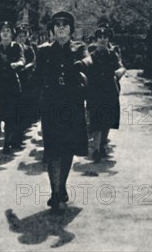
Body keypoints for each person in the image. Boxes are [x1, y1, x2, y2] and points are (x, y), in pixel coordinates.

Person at [34, 11, 91, 211]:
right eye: (57, 24)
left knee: (67, 149)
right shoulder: (43, 50)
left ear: (71, 30)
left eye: (65, 24)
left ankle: (62, 185)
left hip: (72, 105)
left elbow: (88, 60)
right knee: (52, 149)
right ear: (52, 29)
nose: (61, 27)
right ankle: (54, 191)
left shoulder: (79, 48)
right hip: (50, 105)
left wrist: (81, 64)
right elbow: (36, 76)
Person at [86, 26, 127, 162]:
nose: (102, 40)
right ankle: (96, 149)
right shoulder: (91, 56)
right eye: (100, 38)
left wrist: (119, 72)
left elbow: (121, 67)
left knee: (107, 120)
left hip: (110, 91)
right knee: (96, 120)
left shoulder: (112, 55)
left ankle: (102, 144)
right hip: (95, 92)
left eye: (105, 37)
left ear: (108, 39)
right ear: (96, 40)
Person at [0, 21, 25, 160]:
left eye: (8, 30)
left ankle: (7, 143)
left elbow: (22, 60)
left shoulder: (16, 47)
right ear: (0, 33)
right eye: (3, 30)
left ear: (12, 33)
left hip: (11, 87)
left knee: (9, 117)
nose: (5, 33)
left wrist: (18, 64)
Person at [15, 25, 37, 128]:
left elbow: (33, 61)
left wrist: (27, 66)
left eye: (23, 36)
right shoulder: (13, 48)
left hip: (26, 77)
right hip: (15, 76)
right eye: (19, 36)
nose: (21, 38)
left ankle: (25, 122)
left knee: (26, 98)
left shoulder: (29, 49)